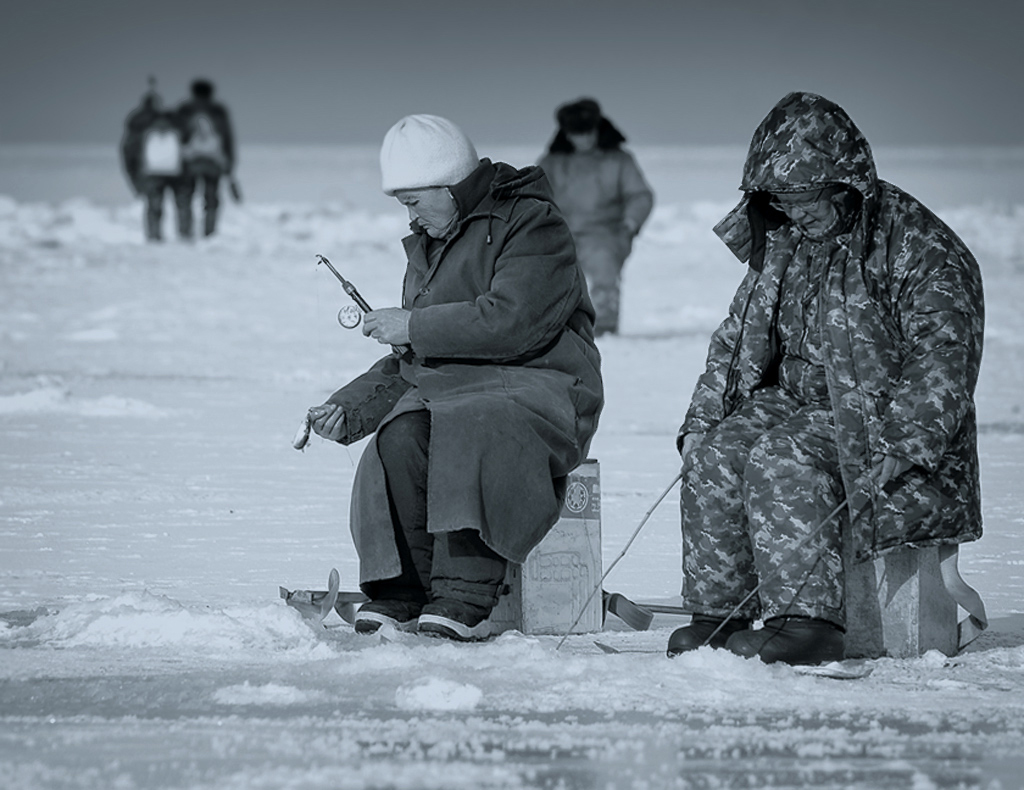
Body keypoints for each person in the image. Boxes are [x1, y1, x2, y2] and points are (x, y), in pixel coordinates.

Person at [667, 92, 984, 665]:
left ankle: (805, 623)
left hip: (873, 413)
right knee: (715, 453)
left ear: (846, 182)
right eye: (782, 201)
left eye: (806, 198)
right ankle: (720, 614)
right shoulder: (787, 241)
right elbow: (735, 341)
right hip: (790, 397)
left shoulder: (917, 245)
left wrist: (905, 438)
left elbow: (945, 353)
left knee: (781, 457)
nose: (796, 213)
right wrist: (702, 419)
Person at [305, 114, 603, 641]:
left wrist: (415, 323)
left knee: (472, 423)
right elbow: (413, 359)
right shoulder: (429, 247)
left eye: (414, 202)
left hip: (542, 387)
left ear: (448, 186)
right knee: (399, 435)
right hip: (454, 392)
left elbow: (515, 321)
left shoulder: (532, 224)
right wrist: (349, 410)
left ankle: (464, 595)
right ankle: (403, 591)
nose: (411, 219)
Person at [537, 97, 654, 336]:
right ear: (567, 134)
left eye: (588, 131)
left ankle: (606, 332)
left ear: (597, 129)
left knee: (604, 276)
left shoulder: (619, 160)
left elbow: (640, 195)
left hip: (606, 234)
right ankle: (559, 334)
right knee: (554, 284)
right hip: (561, 233)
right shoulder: (552, 163)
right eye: (577, 133)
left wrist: (630, 223)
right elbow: (536, 197)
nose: (584, 138)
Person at [119, 80, 184, 242]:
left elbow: (128, 154)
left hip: (149, 171)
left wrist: (135, 180)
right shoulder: (172, 122)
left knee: (154, 204)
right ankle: (185, 235)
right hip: (174, 169)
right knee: (181, 203)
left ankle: (154, 236)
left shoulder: (137, 126)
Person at [174, 78, 236, 238]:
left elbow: (177, 136)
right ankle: (209, 233)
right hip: (213, 162)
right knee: (211, 199)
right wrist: (229, 162)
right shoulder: (218, 111)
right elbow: (227, 138)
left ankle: (185, 232)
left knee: (185, 197)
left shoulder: (184, 110)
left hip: (189, 161)